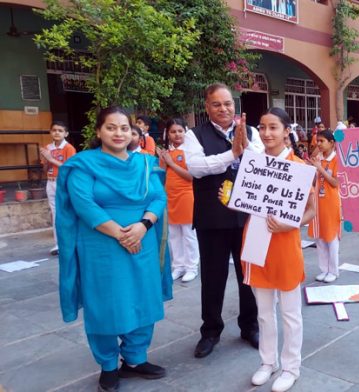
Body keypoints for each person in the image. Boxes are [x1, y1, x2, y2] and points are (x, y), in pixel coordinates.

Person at [56, 106, 172, 392]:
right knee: (105, 305)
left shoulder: (144, 164)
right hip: (101, 246)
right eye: (111, 127)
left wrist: (143, 226)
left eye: (123, 127)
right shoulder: (83, 165)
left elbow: (158, 198)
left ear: (132, 132)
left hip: (141, 243)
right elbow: (84, 205)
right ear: (98, 131)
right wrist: (122, 235)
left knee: (143, 300)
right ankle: (108, 365)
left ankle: (135, 358)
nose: (118, 133)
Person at [237, 107, 316, 392]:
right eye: (262, 127)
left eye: (273, 127)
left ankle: (291, 367)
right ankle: (266, 362)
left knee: (290, 313)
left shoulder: (301, 167)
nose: (267, 133)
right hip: (257, 239)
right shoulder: (254, 164)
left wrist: (290, 224)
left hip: (284, 243)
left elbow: (311, 211)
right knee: (263, 312)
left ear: (286, 131)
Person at [182, 83, 263, 357]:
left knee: (249, 276)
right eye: (216, 104)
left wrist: (246, 147)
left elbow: (263, 164)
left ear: (234, 105)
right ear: (207, 108)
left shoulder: (251, 132)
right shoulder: (195, 135)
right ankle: (211, 331)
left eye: (228, 103)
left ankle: (250, 325)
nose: (223, 109)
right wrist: (233, 154)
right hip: (212, 218)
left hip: (247, 217)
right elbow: (196, 168)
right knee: (213, 278)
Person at [157, 118, 199, 283]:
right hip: (170, 196)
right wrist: (163, 160)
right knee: (173, 234)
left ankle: (192, 267)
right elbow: (162, 174)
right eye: (173, 132)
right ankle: (178, 266)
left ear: (186, 131)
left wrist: (171, 163)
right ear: (168, 134)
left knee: (189, 234)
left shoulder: (190, 151)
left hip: (186, 196)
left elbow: (191, 176)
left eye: (180, 131)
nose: (177, 135)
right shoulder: (167, 153)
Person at [308, 130, 342, 283]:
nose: (318, 144)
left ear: (332, 143)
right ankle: (324, 269)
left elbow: (335, 183)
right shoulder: (318, 159)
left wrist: (320, 168)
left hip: (331, 202)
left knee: (331, 237)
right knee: (320, 237)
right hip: (318, 201)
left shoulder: (337, 160)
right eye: (317, 141)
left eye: (322, 141)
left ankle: (333, 271)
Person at [39, 121, 76, 256]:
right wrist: (45, 159)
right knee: (54, 214)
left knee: (65, 211)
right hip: (51, 182)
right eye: (54, 130)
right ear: (50, 132)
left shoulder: (69, 148)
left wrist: (51, 158)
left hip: (64, 182)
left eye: (60, 130)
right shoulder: (48, 147)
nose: (56, 133)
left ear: (66, 133)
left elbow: (69, 167)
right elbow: (45, 169)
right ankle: (58, 244)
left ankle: (70, 241)